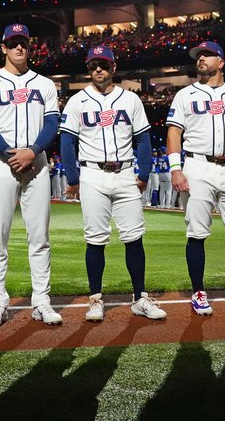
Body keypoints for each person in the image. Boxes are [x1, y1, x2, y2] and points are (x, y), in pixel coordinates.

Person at [60, 45, 166, 322]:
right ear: (88, 68)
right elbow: (67, 142)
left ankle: (140, 297)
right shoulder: (77, 101)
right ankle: (96, 299)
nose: (98, 69)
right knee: (95, 239)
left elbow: (143, 138)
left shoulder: (130, 100)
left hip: (126, 172)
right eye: (94, 64)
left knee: (133, 237)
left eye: (104, 64)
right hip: (93, 173)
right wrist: (73, 178)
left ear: (113, 68)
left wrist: (144, 174)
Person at [0, 23, 62, 327]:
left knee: (39, 236)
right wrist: (12, 153)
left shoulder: (46, 84)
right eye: (13, 43)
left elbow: (52, 124)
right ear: (3, 48)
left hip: (36, 163)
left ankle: (41, 301)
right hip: (1, 163)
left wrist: (32, 150)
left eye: (23, 42)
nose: (19, 48)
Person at [167, 41, 225, 315]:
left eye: (207, 55)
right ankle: (198, 291)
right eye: (198, 56)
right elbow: (174, 132)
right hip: (197, 165)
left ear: (221, 62)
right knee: (197, 232)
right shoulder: (185, 95)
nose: (200, 59)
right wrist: (176, 168)